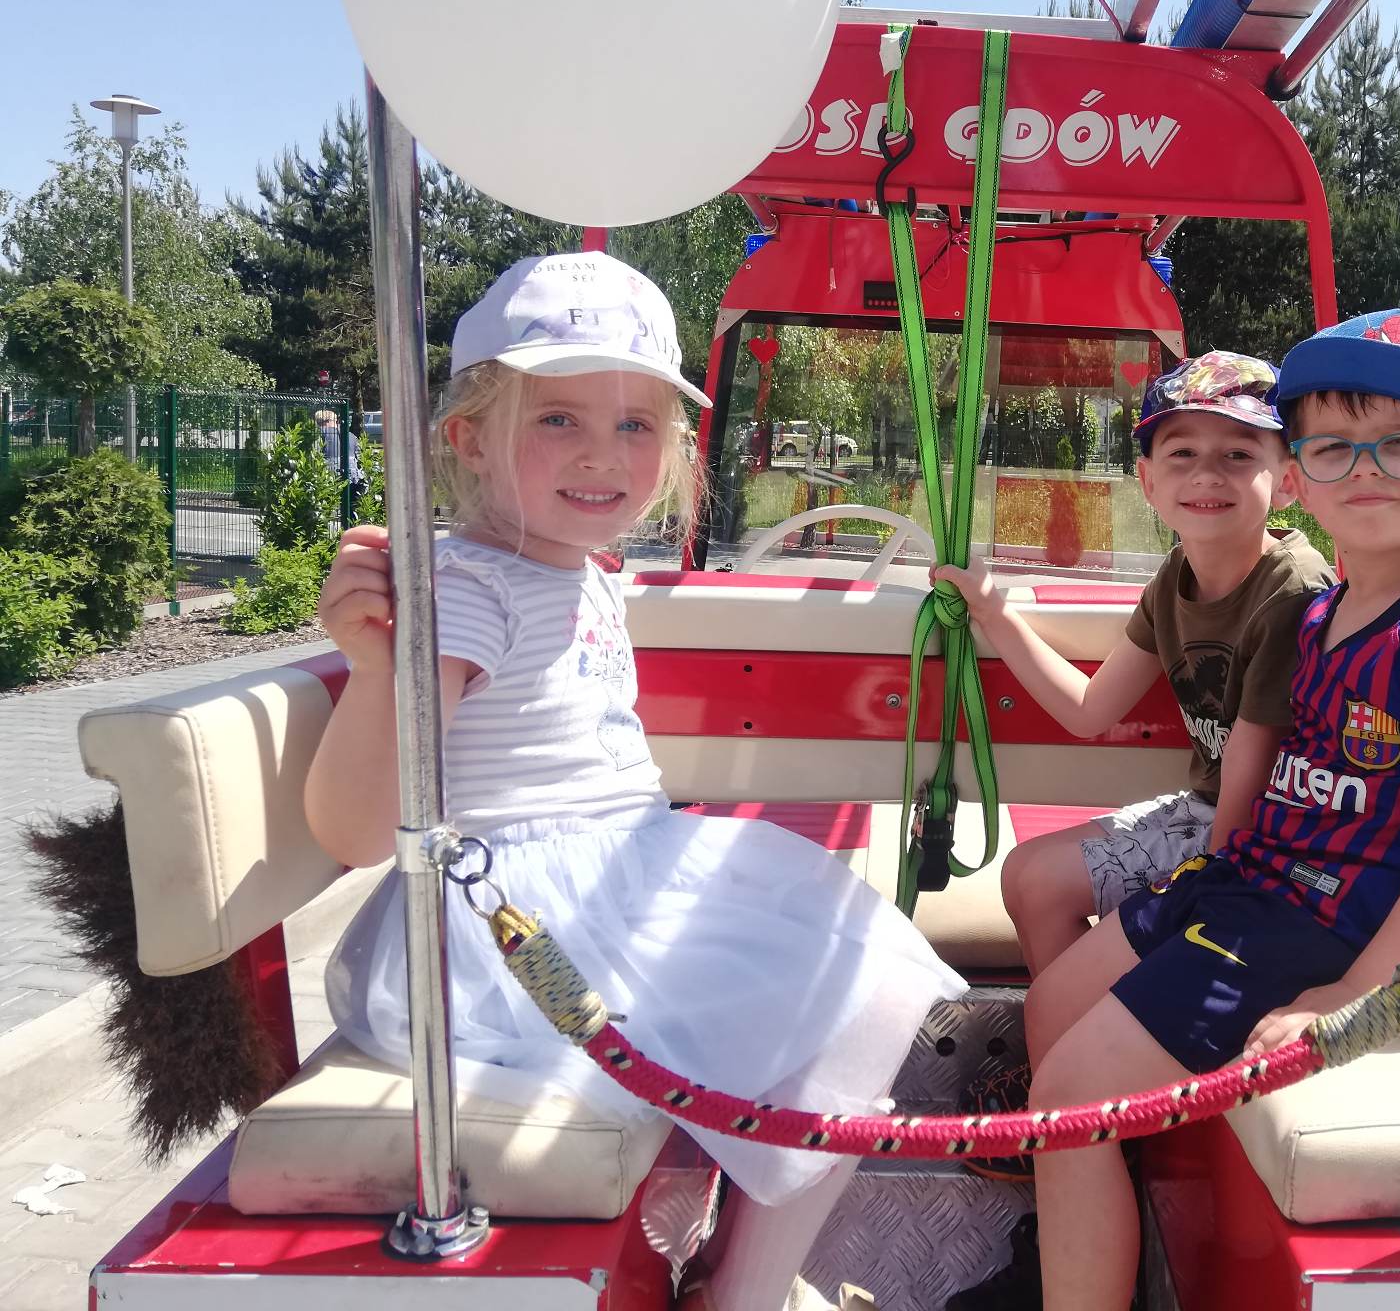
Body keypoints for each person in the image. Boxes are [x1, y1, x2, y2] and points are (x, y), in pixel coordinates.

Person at [305, 252, 965, 1311]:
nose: (601, 455)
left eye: (634, 425)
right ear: (467, 439)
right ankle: (738, 1292)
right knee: (851, 995)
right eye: (557, 419)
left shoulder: (581, 571)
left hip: (615, 876)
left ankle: (727, 1271)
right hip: (521, 928)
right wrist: (377, 667)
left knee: (852, 990)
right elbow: (353, 828)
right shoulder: (468, 588)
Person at [949, 309, 1400, 1311]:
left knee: (1067, 1092)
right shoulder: (1326, 614)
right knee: (1050, 1009)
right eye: (1334, 447)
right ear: (1303, 476)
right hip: (1250, 886)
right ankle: (1074, 1231)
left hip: (1320, 930)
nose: (1366, 470)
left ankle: (1074, 1260)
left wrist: (1351, 997)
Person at [934, 350, 1329, 992]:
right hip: (1209, 809)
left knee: (1054, 887)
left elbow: (1248, 787)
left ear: (1288, 479)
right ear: (1147, 481)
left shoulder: (1292, 591)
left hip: (1272, 838)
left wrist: (1203, 896)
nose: (1207, 474)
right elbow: (1089, 710)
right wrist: (991, 610)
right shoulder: (1175, 577)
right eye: (1182, 453)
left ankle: (1095, 1030)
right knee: (1028, 874)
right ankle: (1077, 1028)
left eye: (1238, 454)